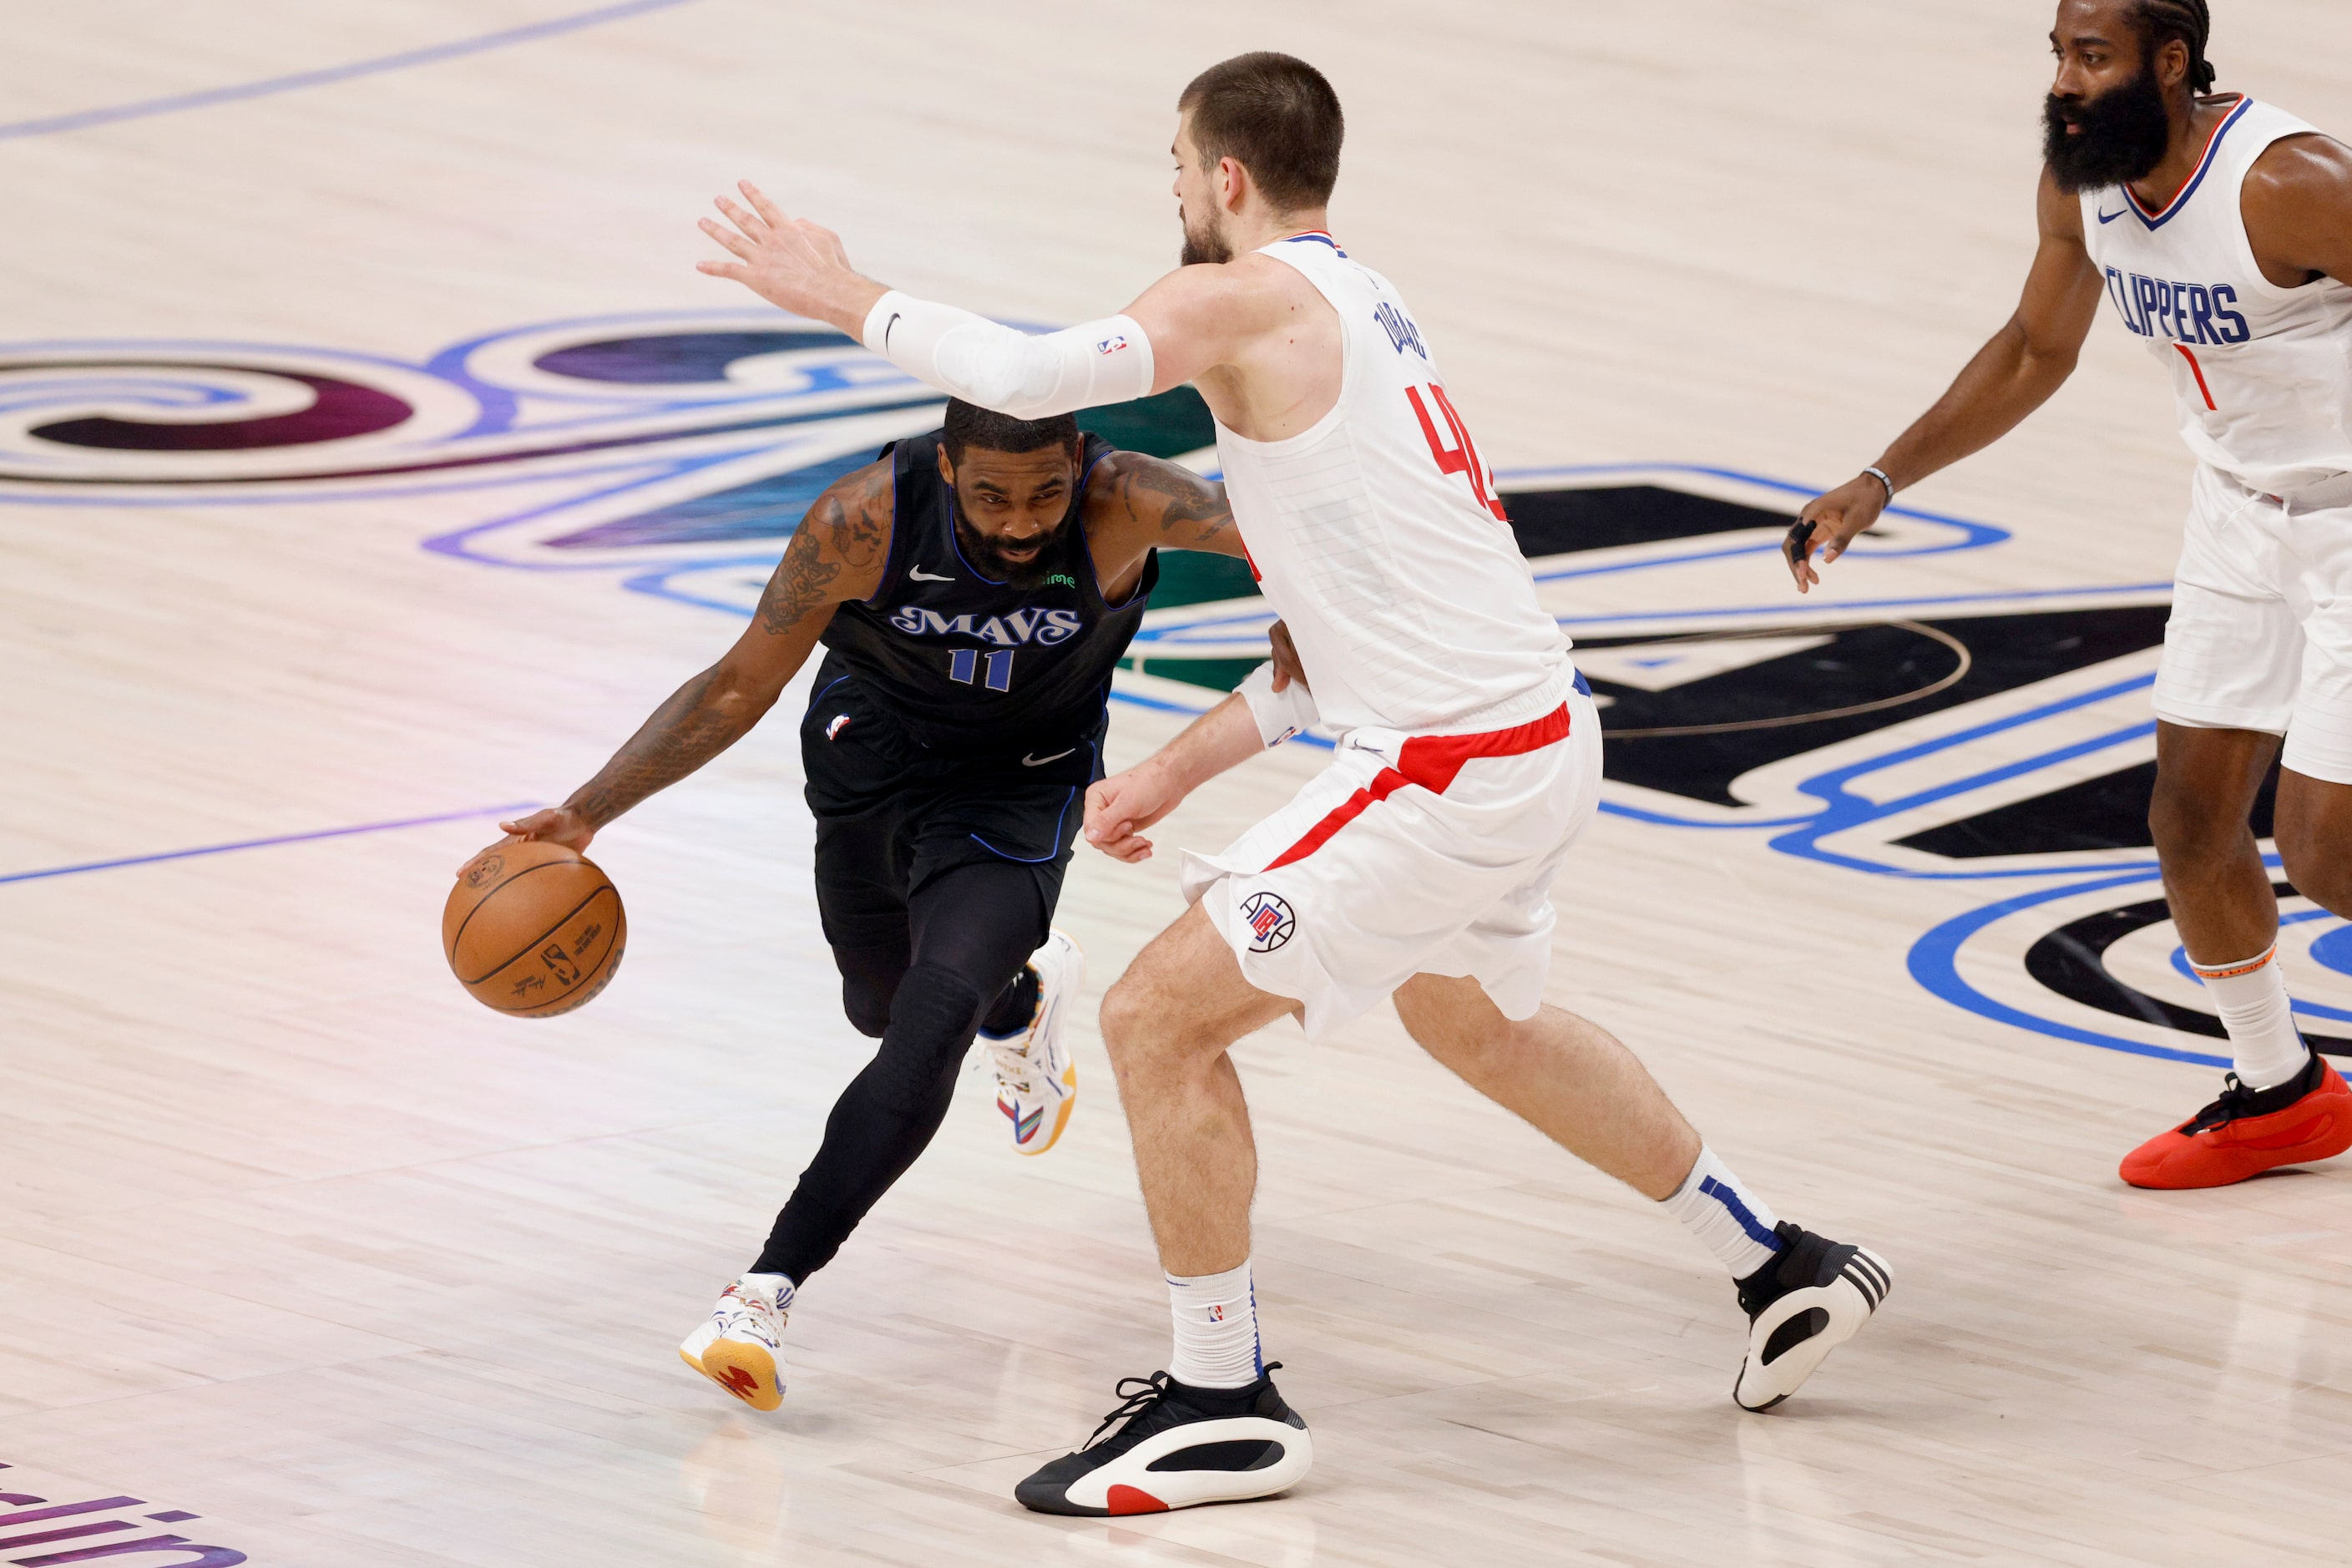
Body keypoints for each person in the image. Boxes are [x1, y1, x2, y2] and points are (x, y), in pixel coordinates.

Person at [696, 51, 1889, 1514]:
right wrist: (1177, 769)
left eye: (1178, 173)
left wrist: (839, 288)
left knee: (1153, 1020)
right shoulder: (1363, 303)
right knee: (1483, 1030)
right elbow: (1340, 639)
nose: (1177, 197)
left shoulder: (1243, 299)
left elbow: (1018, 380)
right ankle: (1776, 1259)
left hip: (1450, 767)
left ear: (1227, 177)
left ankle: (1221, 1397)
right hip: (1535, 729)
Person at [481, 398, 1247, 1411]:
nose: (1020, 524)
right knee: (880, 1008)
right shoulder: (863, 521)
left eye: (1043, 495)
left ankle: (761, 1294)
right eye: (990, 498)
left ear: (1078, 463)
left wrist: (1311, 626)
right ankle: (1019, 1005)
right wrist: (587, 812)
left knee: (925, 1029)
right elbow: (731, 686)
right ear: (945, 466)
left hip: (1022, 783)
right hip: (870, 758)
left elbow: (1304, 534)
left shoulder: (1129, 500)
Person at [1786, 0, 2352, 1190]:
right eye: (2056, 54)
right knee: (2189, 822)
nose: (2065, 82)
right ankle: (2281, 1090)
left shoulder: (2289, 183)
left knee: (2323, 846)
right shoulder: (2081, 182)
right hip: (2238, 510)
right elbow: (2037, 349)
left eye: (2090, 58)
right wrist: (1883, 476)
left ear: (2170, 61)